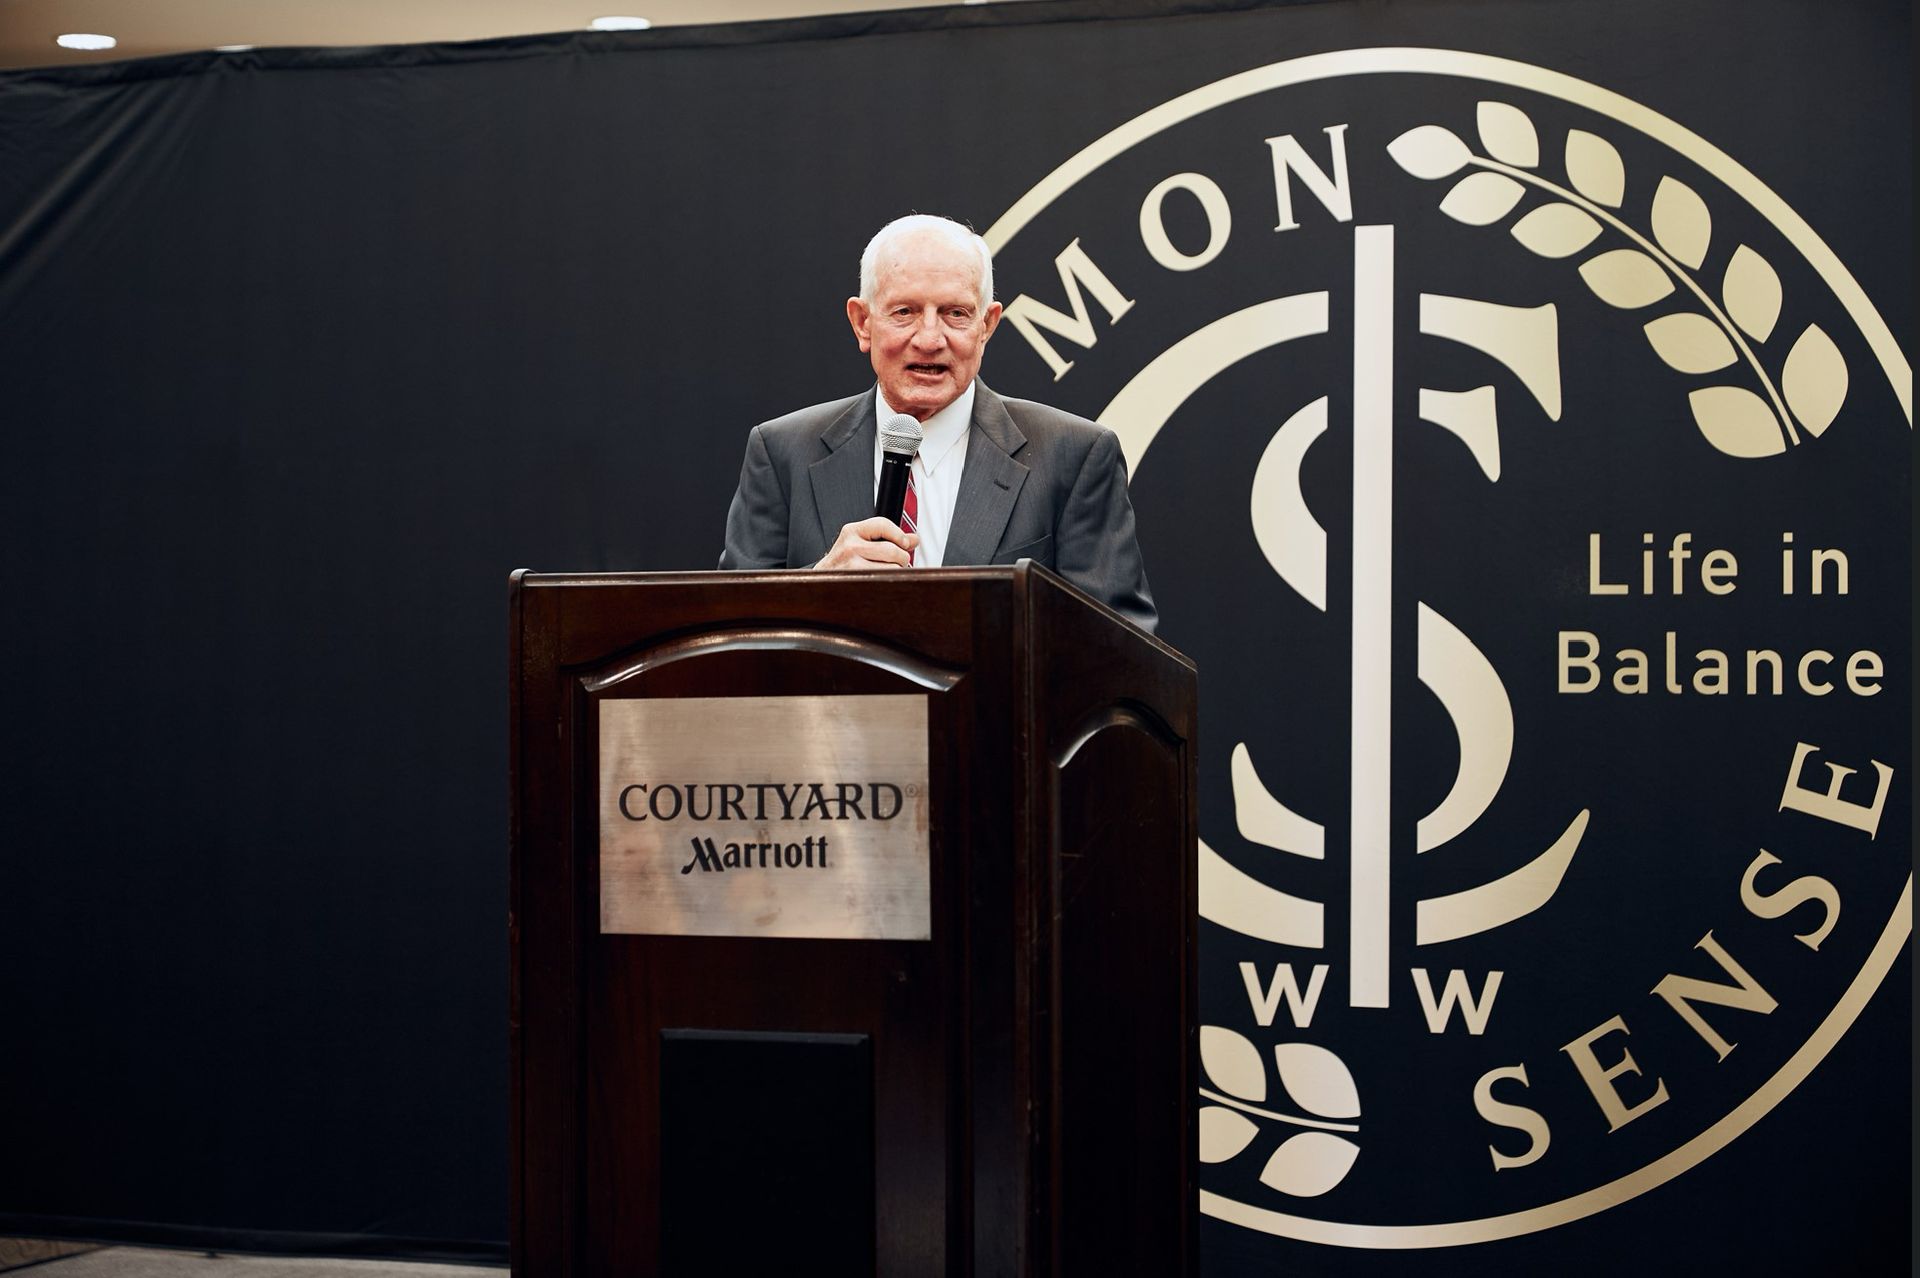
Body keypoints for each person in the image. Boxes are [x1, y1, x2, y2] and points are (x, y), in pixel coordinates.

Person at [719, 214, 1157, 633]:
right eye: (904, 312)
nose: (929, 339)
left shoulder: (1073, 456)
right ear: (862, 323)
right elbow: (728, 637)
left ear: (987, 326)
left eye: (955, 314)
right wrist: (815, 589)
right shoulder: (781, 452)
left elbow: (1120, 648)